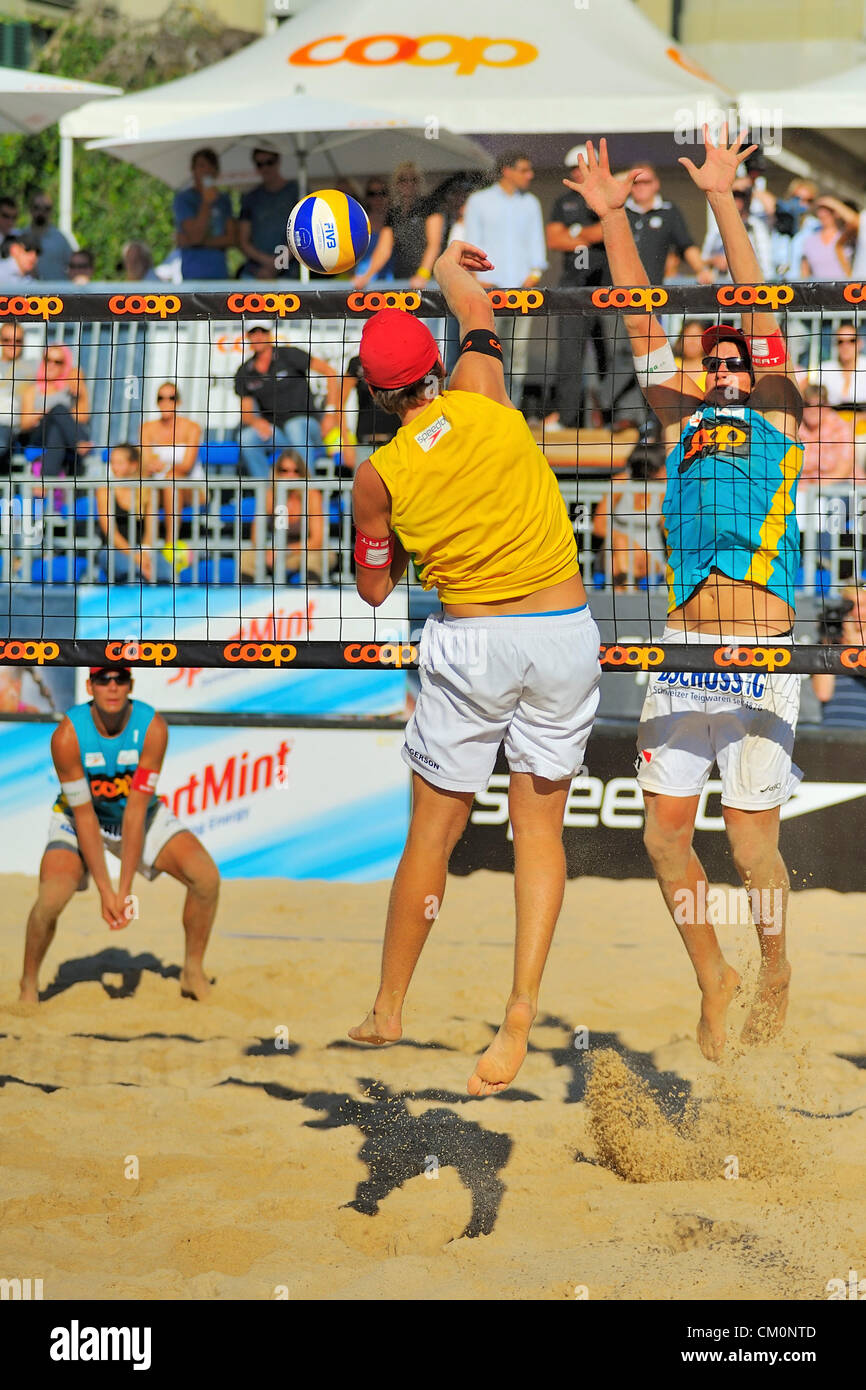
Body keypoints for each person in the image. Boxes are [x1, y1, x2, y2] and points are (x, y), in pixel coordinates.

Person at [566, 129, 804, 1062]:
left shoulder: (778, 410)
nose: (728, 368)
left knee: (751, 856)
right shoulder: (683, 416)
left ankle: (775, 961)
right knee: (665, 841)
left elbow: (753, 295)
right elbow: (635, 317)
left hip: (761, 652)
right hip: (684, 650)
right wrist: (612, 215)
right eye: (718, 361)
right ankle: (718, 976)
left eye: (738, 360)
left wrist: (722, 195)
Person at [348, 239, 600, 1095]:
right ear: (436, 370)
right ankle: (522, 1006)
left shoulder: (377, 475)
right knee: (541, 833)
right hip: (565, 628)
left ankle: (388, 1005)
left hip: (478, 642)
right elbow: (476, 308)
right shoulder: (484, 392)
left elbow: (377, 589)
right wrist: (449, 261)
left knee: (434, 832)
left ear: (379, 394)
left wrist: (398, 542)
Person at [19, 662, 219, 1004]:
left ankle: (192, 970)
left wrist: (124, 891)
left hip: (135, 815)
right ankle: (28, 983)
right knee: (51, 898)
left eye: (120, 678)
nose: (112, 686)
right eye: (103, 679)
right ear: (89, 686)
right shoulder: (68, 735)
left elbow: (136, 810)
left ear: (131, 684)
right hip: (79, 818)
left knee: (206, 878)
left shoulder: (152, 726)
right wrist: (105, 891)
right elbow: (83, 817)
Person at [461, 151, 547, 404]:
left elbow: (536, 245)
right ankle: (488, 407)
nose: (529, 175)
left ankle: (513, 409)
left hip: (522, 292)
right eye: (524, 169)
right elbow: (471, 242)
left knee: (518, 354)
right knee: (486, 351)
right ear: (507, 171)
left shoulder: (531, 202)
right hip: (488, 292)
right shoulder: (479, 201)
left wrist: (534, 276)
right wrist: (477, 279)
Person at [545, 144, 611, 431]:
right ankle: (567, 417)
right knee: (568, 355)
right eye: (574, 168)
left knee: (609, 354)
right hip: (572, 288)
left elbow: (609, 229)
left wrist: (576, 233)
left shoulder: (607, 197)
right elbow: (553, 240)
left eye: (584, 166)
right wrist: (588, 236)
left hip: (606, 287)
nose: (579, 173)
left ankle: (612, 416)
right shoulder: (563, 202)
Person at [234, 321, 338, 478]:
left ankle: (306, 491)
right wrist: (256, 422)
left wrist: (330, 413)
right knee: (247, 437)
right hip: (278, 432)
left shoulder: (289, 355)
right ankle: (267, 494)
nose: (258, 336)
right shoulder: (245, 371)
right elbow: (246, 412)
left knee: (294, 426)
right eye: (253, 332)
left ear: (270, 334)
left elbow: (330, 372)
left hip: (308, 426)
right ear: (247, 336)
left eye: (262, 331)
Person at [353, 161, 444, 290]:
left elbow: (434, 245)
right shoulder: (394, 213)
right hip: (402, 279)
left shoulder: (429, 206)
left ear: (419, 183)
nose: (408, 184)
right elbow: (383, 250)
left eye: (413, 179)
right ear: (396, 184)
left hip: (429, 280)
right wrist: (366, 276)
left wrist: (423, 275)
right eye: (403, 180)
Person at [592, 439, 667, 590]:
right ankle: (630, 594)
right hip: (615, 548)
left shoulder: (662, 490)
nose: (667, 470)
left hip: (649, 554)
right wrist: (628, 542)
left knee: (616, 566)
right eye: (663, 466)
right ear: (652, 468)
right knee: (619, 550)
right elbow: (598, 527)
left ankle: (623, 597)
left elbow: (668, 528)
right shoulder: (620, 483)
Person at [245, 448, 328, 583]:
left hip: (303, 551)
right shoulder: (270, 495)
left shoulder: (312, 495)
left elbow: (317, 540)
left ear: (303, 474)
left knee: (313, 559)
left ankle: (311, 600)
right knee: (247, 557)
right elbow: (256, 537)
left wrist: (285, 551)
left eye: (296, 471)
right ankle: (247, 599)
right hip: (274, 552)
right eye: (284, 471)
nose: (290, 475)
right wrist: (269, 551)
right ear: (276, 473)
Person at [96, 443, 172, 584]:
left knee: (165, 575)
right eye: (112, 462)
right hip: (114, 549)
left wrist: (144, 553)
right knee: (135, 578)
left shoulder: (147, 490)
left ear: (133, 465)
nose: (114, 466)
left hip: (143, 550)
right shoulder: (105, 490)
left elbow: (151, 530)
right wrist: (136, 557)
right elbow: (111, 533)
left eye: (119, 462)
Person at [140, 382, 205, 544]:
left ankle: (171, 543)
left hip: (191, 487)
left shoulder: (192, 428)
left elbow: (187, 466)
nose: (166, 402)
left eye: (172, 398)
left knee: (171, 480)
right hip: (159, 487)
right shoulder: (147, 428)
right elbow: (146, 462)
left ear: (179, 402)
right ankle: (147, 545)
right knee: (151, 488)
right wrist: (151, 466)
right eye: (161, 398)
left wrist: (165, 467)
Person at [18, 345, 94, 479]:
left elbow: (82, 418)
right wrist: (44, 413)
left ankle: (45, 481)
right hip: (37, 435)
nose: (52, 365)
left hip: (62, 436)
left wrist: (80, 386)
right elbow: (24, 425)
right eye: (48, 360)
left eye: (58, 362)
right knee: (58, 409)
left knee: (56, 430)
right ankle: (80, 441)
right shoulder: (33, 390)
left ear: (65, 365)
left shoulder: (69, 387)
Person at [173, 148, 236, 281]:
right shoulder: (184, 199)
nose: (206, 170)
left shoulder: (224, 200)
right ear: (193, 170)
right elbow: (196, 236)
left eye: (211, 166)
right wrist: (206, 202)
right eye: (201, 165)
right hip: (193, 275)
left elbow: (232, 239)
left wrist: (192, 242)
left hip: (219, 274)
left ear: (216, 171)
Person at [238, 147, 299, 280]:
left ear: (278, 161)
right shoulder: (250, 198)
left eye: (269, 162)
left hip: (291, 274)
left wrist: (278, 263)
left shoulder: (298, 191)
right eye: (260, 164)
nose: (265, 168)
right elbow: (243, 241)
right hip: (254, 273)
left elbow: (304, 234)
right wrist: (269, 263)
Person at [811, 587, 866, 727]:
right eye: (850, 606)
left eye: (862, 605)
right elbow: (823, 693)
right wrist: (827, 642)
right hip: (834, 730)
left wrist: (853, 646)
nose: (856, 612)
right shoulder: (832, 643)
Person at [701, 179, 774, 281]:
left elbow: (765, 266)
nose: (736, 201)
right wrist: (715, 260)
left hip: (750, 285)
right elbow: (702, 260)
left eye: (740, 197)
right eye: (733, 196)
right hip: (721, 286)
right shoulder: (716, 227)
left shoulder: (756, 226)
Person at [798, 384, 861, 483]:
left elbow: (844, 469)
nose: (813, 410)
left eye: (819, 405)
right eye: (807, 404)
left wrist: (813, 490)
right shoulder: (795, 427)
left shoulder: (839, 426)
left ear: (827, 405)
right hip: (801, 489)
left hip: (838, 487)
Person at [0, 321, 37, 474]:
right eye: (7, 340)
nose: (12, 345)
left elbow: (69, 366)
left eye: (17, 340)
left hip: (11, 424)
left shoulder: (34, 365)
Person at [800, 196, 858, 280]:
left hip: (845, 290)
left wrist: (832, 203)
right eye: (821, 210)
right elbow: (804, 273)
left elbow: (856, 222)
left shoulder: (846, 236)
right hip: (819, 291)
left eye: (828, 210)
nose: (824, 214)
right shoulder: (809, 240)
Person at [352, 177, 393, 283]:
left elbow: (384, 252)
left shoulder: (394, 221)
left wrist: (366, 277)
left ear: (388, 196)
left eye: (382, 193)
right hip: (360, 281)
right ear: (367, 197)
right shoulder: (360, 222)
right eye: (372, 194)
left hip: (389, 283)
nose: (377, 198)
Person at [815, 323, 866, 409]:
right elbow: (815, 402)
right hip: (831, 419)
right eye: (840, 341)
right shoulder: (824, 369)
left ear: (860, 343)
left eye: (851, 341)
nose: (845, 346)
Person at [25, 192, 73, 280]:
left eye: (46, 208)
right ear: (30, 209)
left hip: (55, 292)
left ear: (51, 211)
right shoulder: (20, 236)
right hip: (26, 292)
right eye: (37, 207)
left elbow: (74, 267)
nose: (41, 212)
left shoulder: (60, 239)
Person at [673, 318, 708, 392]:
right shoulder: (671, 365)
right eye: (688, 336)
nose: (692, 341)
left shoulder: (712, 367)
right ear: (681, 339)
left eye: (697, 336)